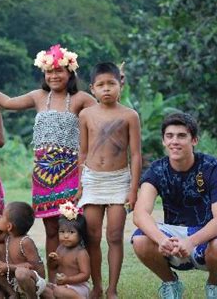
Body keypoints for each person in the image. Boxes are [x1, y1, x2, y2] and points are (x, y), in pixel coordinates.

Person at [0, 44, 96, 279]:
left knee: (72, 227)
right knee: (51, 229)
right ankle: (53, 279)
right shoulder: (38, 96)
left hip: (71, 173)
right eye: (49, 71)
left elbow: (103, 115)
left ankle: (75, 276)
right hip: (43, 176)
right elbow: (6, 102)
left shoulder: (81, 99)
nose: (54, 76)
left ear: (70, 73)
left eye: (60, 71)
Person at [132, 112, 217, 299]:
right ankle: (171, 283)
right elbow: (140, 213)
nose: (174, 141)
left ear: (194, 140)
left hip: (207, 237)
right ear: (163, 141)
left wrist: (191, 242)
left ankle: (215, 285)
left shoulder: (212, 167)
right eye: (170, 136)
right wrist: (161, 239)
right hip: (174, 237)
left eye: (181, 136)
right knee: (140, 240)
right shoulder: (157, 170)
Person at [77, 62, 141, 298]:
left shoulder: (129, 116)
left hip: (118, 180)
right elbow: (82, 153)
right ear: (92, 89)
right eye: (101, 85)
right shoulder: (85, 115)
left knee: (114, 236)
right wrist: (80, 183)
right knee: (92, 236)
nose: (106, 89)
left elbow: (135, 155)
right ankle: (96, 286)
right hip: (92, 180)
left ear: (120, 85)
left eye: (111, 84)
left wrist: (133, 189)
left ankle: (112, 288)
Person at [0, 201, 47, 299]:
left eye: (2, 216)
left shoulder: (25, 242)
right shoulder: (8, 236)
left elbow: (31, 266)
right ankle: (13, 293)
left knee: (20, 273)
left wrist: (8, 267)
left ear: (9, 226)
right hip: (16, 280)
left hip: (34, 280)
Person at [47, 202, 91, 299]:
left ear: (80, 234)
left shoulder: (81, 253)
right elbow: (53, 267)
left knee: (58, 291)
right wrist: (51, 260)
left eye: (71, 232)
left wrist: (68, 280)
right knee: (45, 288)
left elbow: (85, 275)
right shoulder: (60, 248)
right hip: (63, 286)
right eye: (62, 232)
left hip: (78, 287)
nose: (66, 236)